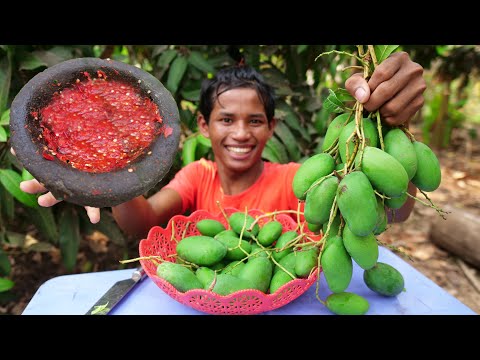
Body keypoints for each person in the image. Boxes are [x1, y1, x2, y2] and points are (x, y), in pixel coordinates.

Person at [17, 50, 426, 240]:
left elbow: (395, 211)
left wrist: (395, 127)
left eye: (255, 121)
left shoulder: (296, 180)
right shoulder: (197, 177)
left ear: (271, 128)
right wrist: (111, 177)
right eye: (226, 120)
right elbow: (144, 224)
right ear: (204, 124)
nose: (241, 133)